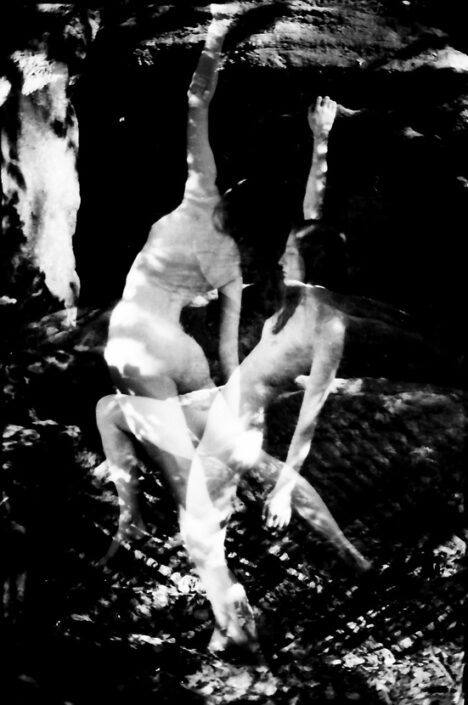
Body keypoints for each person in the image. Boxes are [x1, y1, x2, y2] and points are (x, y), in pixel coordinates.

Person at [96, 90, 371, 658]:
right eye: (288, 255)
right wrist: (321, 140)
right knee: (112, 411)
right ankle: (344, 564)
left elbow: (311, 416)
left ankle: (236, 627)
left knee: (202, 529)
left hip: (234, 423)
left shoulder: (327, 326)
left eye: (291, 258)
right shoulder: (299, 291)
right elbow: (311, 213)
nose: (282, 261)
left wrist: (285, 490)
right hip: (225, 407)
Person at [101, 11, 243, 552]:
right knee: (128, 423)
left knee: (181, 477)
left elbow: (196, 102)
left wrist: (216, 35)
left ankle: (197, 555)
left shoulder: (202, 194)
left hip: (138, 342)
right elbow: (227, 354)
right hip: (182, 354)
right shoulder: (232, 263)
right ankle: (175, 521)